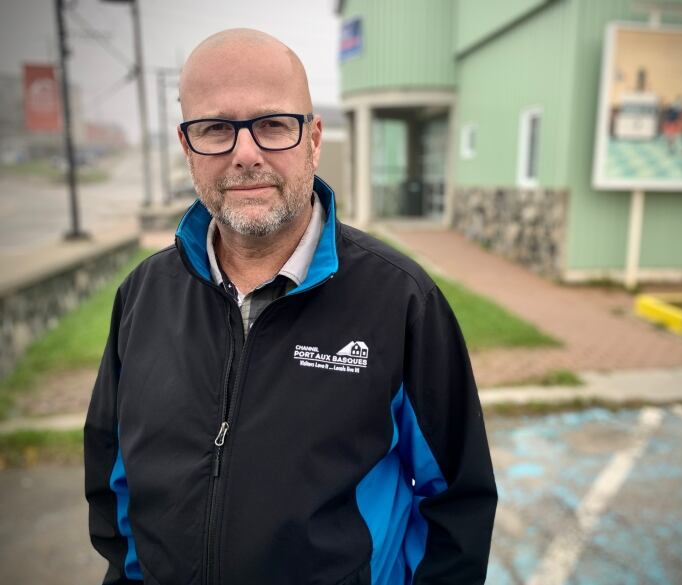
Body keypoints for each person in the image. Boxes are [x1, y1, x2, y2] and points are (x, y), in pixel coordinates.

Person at [84, 28, 497, 585]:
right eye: (215, 129)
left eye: (273, 125)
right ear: (187, 145)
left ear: (314, 138)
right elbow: (114, 485)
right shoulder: (141, 296)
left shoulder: (403, 302)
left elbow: (457, 505)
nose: (245, 154)